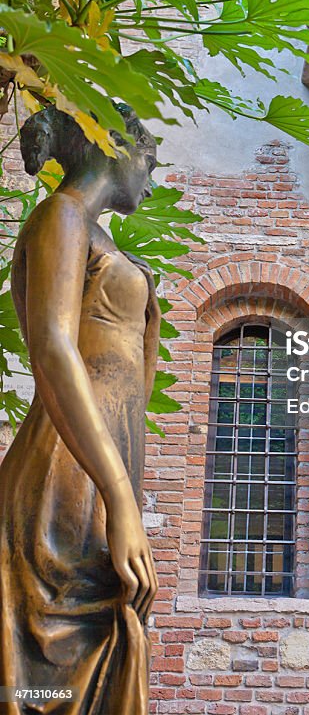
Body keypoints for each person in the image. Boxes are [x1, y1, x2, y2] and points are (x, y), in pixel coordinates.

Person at [0, 105, 161, 714]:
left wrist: (121, 494)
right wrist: (119, 496)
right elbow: (52, 346)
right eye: (148, 155)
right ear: (114, 145)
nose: (153, 170)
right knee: (46, 675)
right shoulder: (62, 218)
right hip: (64, 474)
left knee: (107, 644)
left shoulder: (98, 236)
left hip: (100, 471)